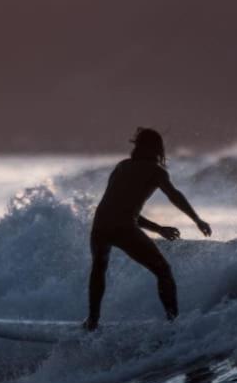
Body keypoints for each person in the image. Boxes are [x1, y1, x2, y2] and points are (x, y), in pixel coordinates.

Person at [85, 127, 212, 331]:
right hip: (122, 228)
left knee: (99, 268)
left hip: (100, 225)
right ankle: (173, 323)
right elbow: (174, 195)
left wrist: (158, 228)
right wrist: (197, 219)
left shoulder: (122, 166)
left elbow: (119, 208)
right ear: (157, 148)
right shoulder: (156, 171)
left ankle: (92, 320)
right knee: (164, 271)